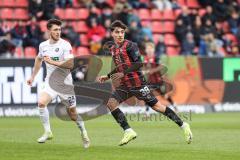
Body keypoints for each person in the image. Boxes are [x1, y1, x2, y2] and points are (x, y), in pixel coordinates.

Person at [97, 20, 193, 146]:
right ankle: (128, 130)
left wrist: (123, 73)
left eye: (122, 32)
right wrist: (108, 76)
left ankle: (183, 125)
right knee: (111, 103)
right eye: (117, 32)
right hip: (125, 85)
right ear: (112, 34)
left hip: (138, 84)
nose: (120, 34)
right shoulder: (114, 49)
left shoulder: (131, 46)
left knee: (157, 107)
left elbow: (138, 64)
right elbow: (120, 67)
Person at [26, 19, 90, 148]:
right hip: (50, 82)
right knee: (41, 103)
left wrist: (52, 62)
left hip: (65, 85)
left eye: (60, 29)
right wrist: (32, 76)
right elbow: (39, 60)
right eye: (55, 30)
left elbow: (70, 64)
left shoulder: (65, 45)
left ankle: (84, 133)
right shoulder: (43, 46)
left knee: (72, 114)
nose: (58, 32)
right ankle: (48, 132)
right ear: (49, 31)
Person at [142, 42, 177, 116]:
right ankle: (147, 111)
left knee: (165, 96)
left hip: (158, 81)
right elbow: (144, 68)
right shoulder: (145, 59)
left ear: (153, 50)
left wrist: (152, 71)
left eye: (151, 48)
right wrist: (143, 71)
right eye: (148, 48)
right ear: (146, 50)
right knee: (147, 95)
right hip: (150, 82)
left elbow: (161, 66)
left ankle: (174, 105)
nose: (149, 50)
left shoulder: (156, 58)